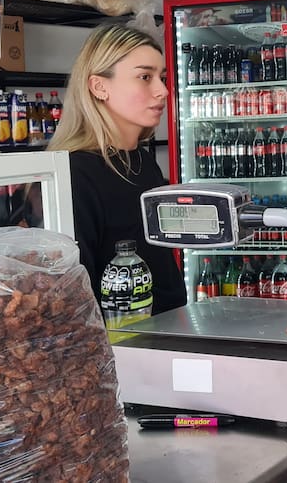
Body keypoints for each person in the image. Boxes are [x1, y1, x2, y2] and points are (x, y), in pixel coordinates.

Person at [48, 24, 186, 315]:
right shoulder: (76, 173)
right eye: (144, 77)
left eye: (162, 78)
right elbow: (75, 295)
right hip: (122, 349)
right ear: (99, 86)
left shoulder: (142, 161)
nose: (162, 91)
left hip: (167, 337)